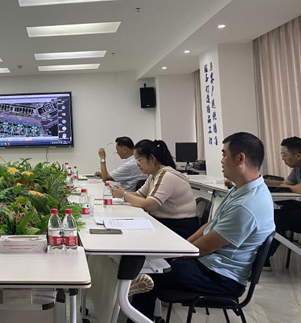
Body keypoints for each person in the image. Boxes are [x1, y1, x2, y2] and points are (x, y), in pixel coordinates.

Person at [129, 132, 275, 322]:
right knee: (152, 266)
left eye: (224, 154)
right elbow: (210, 224)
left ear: (240, 159)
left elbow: (205, 247)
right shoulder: (241, 190)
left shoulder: (246, 205)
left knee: (149, 273)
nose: (221, 160)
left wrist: (177, 256)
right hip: (211, 265)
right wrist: (183, 247)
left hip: (221, 277)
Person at [111, 139, 199, 239]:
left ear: (152, 158)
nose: (137, 164)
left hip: (179, 226)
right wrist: (120, 193)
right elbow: (140, 195)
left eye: (139, 160)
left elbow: (149, 205)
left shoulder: (166, 175)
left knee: (134, 238)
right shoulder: (154, 174)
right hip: (166, 222)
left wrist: (124, 195)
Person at [265, 136, 301, 267]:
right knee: (275, 211)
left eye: (284, 155)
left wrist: (289, 187)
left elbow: (298, 188)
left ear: (297, 156)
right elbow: (287, 183)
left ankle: (264, 258)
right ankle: (264, 257)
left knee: (277, 218)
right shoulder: (297, 168)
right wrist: (262, 180)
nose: (282, 158)